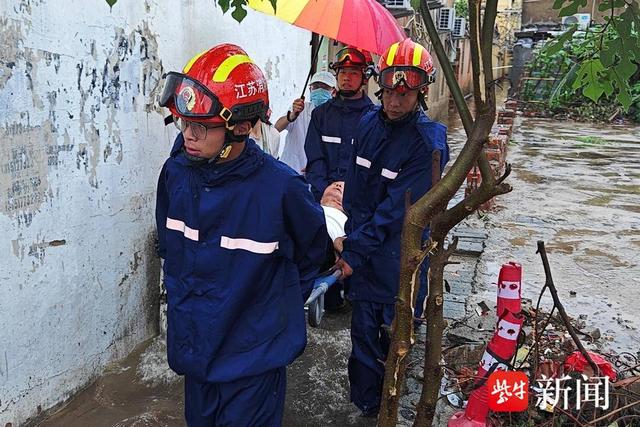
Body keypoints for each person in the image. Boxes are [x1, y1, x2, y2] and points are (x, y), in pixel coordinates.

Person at [155, 43, 327, 427]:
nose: (189, 135)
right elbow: (169, 249)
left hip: (253, 360)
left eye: (201, 126)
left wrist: (268, 311)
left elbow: (312, 254)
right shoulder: (176, 174)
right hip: (196, 351)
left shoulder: (281, 188)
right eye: (184, 123)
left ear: (242, 127)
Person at [333, 38, 450, 417]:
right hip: (364, 246)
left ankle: (383, 409)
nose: (395, 102)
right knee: (361, 338)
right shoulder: (368, 121)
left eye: (405, 94)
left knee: (390, 340)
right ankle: (365, 408)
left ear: (422, 91)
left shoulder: (427, 144)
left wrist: (354, 250)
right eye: (389, 92)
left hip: (396, 259)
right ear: (380, 86)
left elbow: (396, 212)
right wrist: (345, 233)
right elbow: (358, 186)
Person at [304, 46, 376, 312]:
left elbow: (371, 165)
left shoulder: (374, 120)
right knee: (323, 249)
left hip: (358, 199)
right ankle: (329, 303)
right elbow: (314, 159)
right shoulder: (320, 116)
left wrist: (350, 190)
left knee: (357, 246)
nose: (346, 78)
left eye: (353, 73)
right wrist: (326, 190)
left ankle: (355, 298)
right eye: (343, 72)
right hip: (323, 197)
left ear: (364, 77)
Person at [276, 71, 337, 174]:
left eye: (325, 87)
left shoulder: (336, 116)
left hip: (319, 174)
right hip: (292, 170)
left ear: (333, 92)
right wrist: (291, 116)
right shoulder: (300, 109)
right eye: (316, 86)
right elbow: (277, 128)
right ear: (310, 89)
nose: (319, 90)